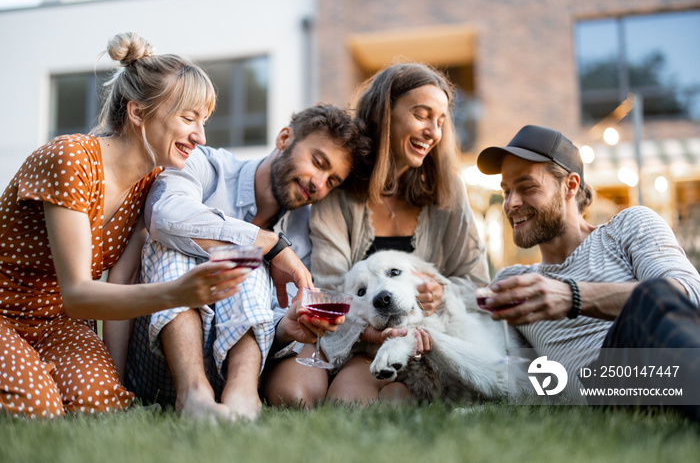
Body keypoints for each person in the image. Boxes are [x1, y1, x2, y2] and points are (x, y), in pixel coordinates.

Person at [0, 32, 249, 419]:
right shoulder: (70, 158)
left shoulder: (149, 180)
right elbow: (79, 293)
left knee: (102, 406)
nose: (200, 136)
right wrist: (176, 293)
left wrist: (111, 380)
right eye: (188, 118)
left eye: (204, 121)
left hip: (55, 324)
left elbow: (118, 283)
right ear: (137, 113)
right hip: (5, 312)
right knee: (37, 409)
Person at [124, 104, 371, 422]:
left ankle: (243, 398)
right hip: (156, 359)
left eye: (332, 181)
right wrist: (267, 242)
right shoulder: (205, 165)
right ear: (284, 139)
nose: (319, 184)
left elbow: (273, 324)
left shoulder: (303, 231)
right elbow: (164, 217)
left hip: (229, 374)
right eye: (318, 162)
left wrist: (286, 328)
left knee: (251, 261)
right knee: (205, 246)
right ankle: (193, 394)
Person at [263, 63, 490, 407]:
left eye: (441, 121)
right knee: (312, 399)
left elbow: (476, 282)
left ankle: (413, 391)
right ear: (385, 114)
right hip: (362, 340)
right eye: (422, 115)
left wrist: (440, 292)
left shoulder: (449, 192)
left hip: (436, 335)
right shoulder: (337, 191)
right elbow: (331, 289)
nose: (433, 131)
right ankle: (395, 392)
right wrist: (376, 333)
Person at [475, 124, 700, 414]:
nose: (511, 203)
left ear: (570, 185)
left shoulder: (628, 227)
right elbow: (514, 378)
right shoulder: (515, 283)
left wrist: (573, 296)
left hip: (666, 365)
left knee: (654, 294)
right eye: (506, 191)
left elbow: (690, 297)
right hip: (608, 391)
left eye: (527, 187)